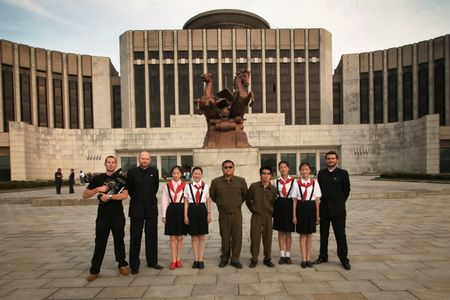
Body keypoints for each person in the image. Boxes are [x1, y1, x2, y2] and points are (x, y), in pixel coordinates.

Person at [82, 155, 129, 281]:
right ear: (105, 164)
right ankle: (94, 270)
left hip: (118, 215)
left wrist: (109, 197)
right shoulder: (98, 178)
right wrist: (98, 189)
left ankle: (122, 264)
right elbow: (85, 195)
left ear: (115, 164)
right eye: (109, 162)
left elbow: (125, 196)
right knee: (100, 242)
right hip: (103, 216)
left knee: (119, 240)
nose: (111, 164)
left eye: (113, 162)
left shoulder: (121, 178)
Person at [127, 151, 163, 274]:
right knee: (135, 237)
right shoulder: (131, 172)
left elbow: (155, 188)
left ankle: (152, 261)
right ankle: (134, 265)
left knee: (152, 236)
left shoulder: (154, 171)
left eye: (147, 159)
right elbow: (130, 190)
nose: (145, 161)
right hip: (136, 209)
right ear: (138, 159)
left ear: (150, 160)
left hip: (151, 208)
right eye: (142, 158)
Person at [314, 151, 351, 270]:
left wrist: (339, 202)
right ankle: (323, 256)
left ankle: (344, 259)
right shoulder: (321, 173)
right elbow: (319, 191)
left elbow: (346, 191)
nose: (330, 160)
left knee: (340, 235)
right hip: (324, 210)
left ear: (337, 160)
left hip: (338, 211)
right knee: (323, 235)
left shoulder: (343, 173)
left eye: (333, 158)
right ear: (325, 160)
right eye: (328, 158)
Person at [210, 160, 248, 268]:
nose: (228, 169)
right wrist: (221, 204)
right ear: (222, 169)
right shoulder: (216, 182)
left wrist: (237, 204)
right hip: (223, 214)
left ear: (234, 168)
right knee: (225, 237)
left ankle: (235, 259)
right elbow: (213, 195)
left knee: (237, 237)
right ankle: (224, 258)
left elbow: (245, 195)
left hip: (236, 213)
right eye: (225, 167)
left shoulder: (240, 181)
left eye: (230, 167)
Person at [245, 166, 278, 268]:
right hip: (256, 216)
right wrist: (253, 210)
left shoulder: (273, 189)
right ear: (260, 175)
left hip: (268, 217)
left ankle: (267, 259)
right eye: (264, 173)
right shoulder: (254, 186)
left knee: (267, 238)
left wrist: (271, 212)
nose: (266, 176)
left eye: (268, 174)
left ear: (271, 176)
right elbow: (248, 200)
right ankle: (254, 259)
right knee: (255, 238)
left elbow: (274, 202)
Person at [293, 162, 322, 268]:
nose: (304, 171)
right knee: (302, 235)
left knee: (309, 235)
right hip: (301, 208)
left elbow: (317, 200)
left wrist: (318, 214)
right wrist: (294, 215)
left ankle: (309, 258)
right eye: (302, 169)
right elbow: (295, 201)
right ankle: (303, 259)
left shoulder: (315, 183)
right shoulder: (296, 183)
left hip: (311, 208)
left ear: (309, 171)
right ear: (299, 171)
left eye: (306, 169)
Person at [184, 167, 211, 269]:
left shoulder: (206, 186)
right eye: (195, 174)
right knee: (194, 236)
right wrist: (185, 215)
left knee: (202, 236)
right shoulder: (188, 186)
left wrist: (209, 213)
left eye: (199, 174)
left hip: (202, 210)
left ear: (202, 174)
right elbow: (186, 201)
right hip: (191, 210)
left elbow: (208, 201)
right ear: (192, 174)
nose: (197, 176)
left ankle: (201, 259)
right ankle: (195, 259)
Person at [272, 161, 299, 265]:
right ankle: (282, 255)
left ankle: (288, 255)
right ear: (279, 169)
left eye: (285, 167)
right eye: (281, 167)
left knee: (288, 232)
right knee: (280, 232)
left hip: (289, 206)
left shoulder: (294, 181)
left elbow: (295, 198)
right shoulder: (275, 182)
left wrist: (294, 214)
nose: (283, 169)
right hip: (279, 206)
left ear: (288, 169)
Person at [162, 165, 187, 270]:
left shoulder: (186, 186)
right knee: (172, 237)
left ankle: (178, 259)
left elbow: (187, 201)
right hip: (171, 210)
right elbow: (164, 201)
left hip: (181, 210)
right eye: (174, 173)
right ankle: (173, 260)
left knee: (180, 237)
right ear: (171, 174)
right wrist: (164, 215)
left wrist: (187, 215)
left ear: (181, 174)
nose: (176, 175)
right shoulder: (167, 186)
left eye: (178, 173)